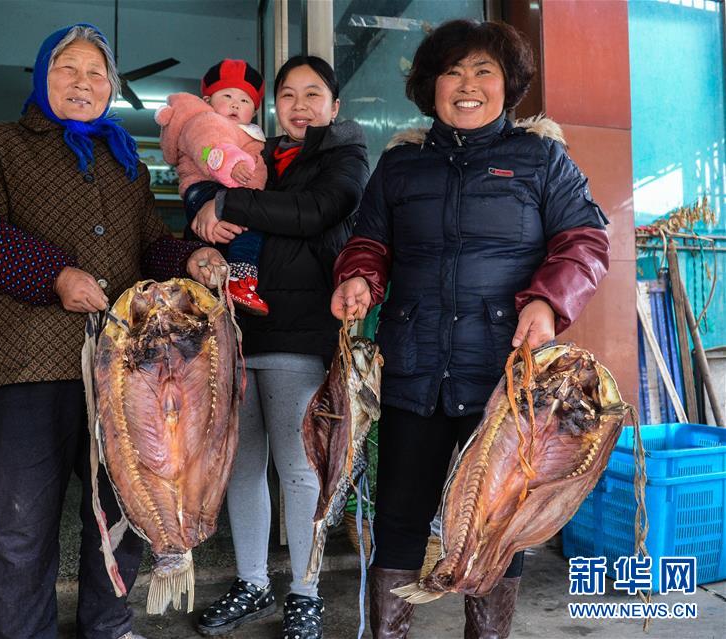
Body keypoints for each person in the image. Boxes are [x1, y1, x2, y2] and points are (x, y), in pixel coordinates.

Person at [0, 23, 221, 639]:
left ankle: (108, 624)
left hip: (122, 375)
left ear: (111, 88)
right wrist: (54, 276)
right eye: (68, 68)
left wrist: (189, 258)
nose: (83, 82)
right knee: (22, 522)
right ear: (43, 76)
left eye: (97, 73)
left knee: (124, 509)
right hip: (25, 366)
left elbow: (150, 246)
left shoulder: (127, 164)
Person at [330, 19, 610, 639]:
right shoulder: (400, 165)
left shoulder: (542, 159)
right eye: (452, 72)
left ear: (508, 85)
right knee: (400, 519)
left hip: (505, 377)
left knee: (497, 523)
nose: (467, 85)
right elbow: (368, 241)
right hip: (414, 370)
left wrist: (547, 302)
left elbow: (585, 242)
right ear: (430, 86)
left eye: (484, 71)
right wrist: (359, 277)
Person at [190, 55, 370, 639]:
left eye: (313, 94)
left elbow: (315, 212)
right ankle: (252, 582)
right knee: (242, 468)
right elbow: (205, 200)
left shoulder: (344, 156)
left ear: (335, 106)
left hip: (300, 331)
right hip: (238, 333)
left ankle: (306, 592)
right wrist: (203, 224)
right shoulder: (257, 155)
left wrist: (228, 204)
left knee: (298, 470)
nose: (299, 105)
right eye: (288, 94)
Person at [155, 59, 271, 315]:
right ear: (208, 101)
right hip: (204, 188)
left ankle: (224, 285)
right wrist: (232, 165)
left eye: (244, 100)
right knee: (245, 226)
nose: (235, 104)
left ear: (253, 111)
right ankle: (238, 280)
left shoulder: (249, 135)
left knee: (232, 234)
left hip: (224, 194)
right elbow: (211, 146)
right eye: (227, 96)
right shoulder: (205, 120)